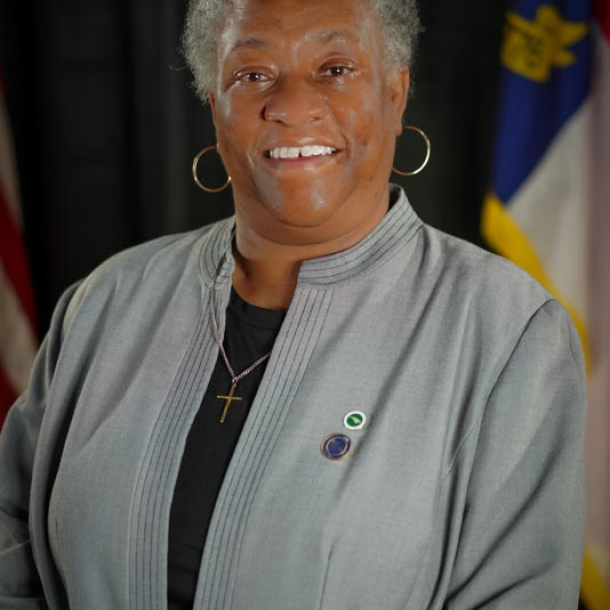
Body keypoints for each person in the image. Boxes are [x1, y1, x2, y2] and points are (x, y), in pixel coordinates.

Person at [0, 0, 586, 608]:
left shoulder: (508, 334)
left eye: (335, 68)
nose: (290, 105)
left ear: (396, 92)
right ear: (215, 108)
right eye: (253, 75)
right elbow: (9, 540)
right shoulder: (106, 303)